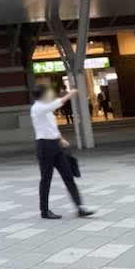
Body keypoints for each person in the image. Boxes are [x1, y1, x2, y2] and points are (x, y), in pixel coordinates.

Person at [31, 83, 94, 220]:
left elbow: (50, 127)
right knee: (46, 179)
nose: (49, 94)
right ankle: (44, 210)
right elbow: (55, 104)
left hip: (55, 145)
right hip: (45, 147)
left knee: (68, 176)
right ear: (42, 95)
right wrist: (70, 94)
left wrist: (60, 139)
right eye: (47, 92)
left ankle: (80, 207)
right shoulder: (37, 108)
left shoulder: (45, 109)